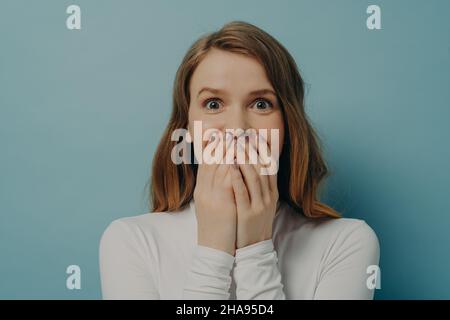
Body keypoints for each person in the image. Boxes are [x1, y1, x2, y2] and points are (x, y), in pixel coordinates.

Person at [99, 21, 380, 300]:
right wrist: (213, 249)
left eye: (261, 104)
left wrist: (256, 249)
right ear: (187, 127)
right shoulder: (129, 241)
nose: (237, 129)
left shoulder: (346, 242)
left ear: (288, 125)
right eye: (213, 104)